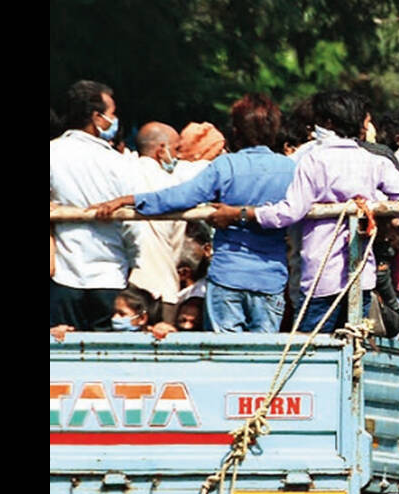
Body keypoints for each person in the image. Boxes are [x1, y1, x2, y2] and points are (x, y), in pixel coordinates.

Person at [208, 90, 399, 334]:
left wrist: (242, 214)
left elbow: (289, 212)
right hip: (361, 277)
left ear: (328, 123)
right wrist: (394, 220)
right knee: (355, 347)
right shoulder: (373, 160)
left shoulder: (313, 159)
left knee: (310, 353)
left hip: (322, 277)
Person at [91, 93, 296, 333]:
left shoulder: (226, 166)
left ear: (236, 131)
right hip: (270, 279)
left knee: (225, 358)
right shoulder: (290, 169)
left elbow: (178, 197)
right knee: (265, 359)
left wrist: (128, 199)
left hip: (228, 277)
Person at [50, 79, 144, 331]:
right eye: (112, 114)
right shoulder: (119, 163)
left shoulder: (53, 153)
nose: (114, 121)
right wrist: (136, 263)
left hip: (64, 274)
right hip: (110, 274)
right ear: (97, 117)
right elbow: (133, 223)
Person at [126, 122, 208, 323]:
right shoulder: (174, 182)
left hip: (126, 289)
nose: (179, 157)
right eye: (177, 149)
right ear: (162, 149)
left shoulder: (120, 173)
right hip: (164, 289)